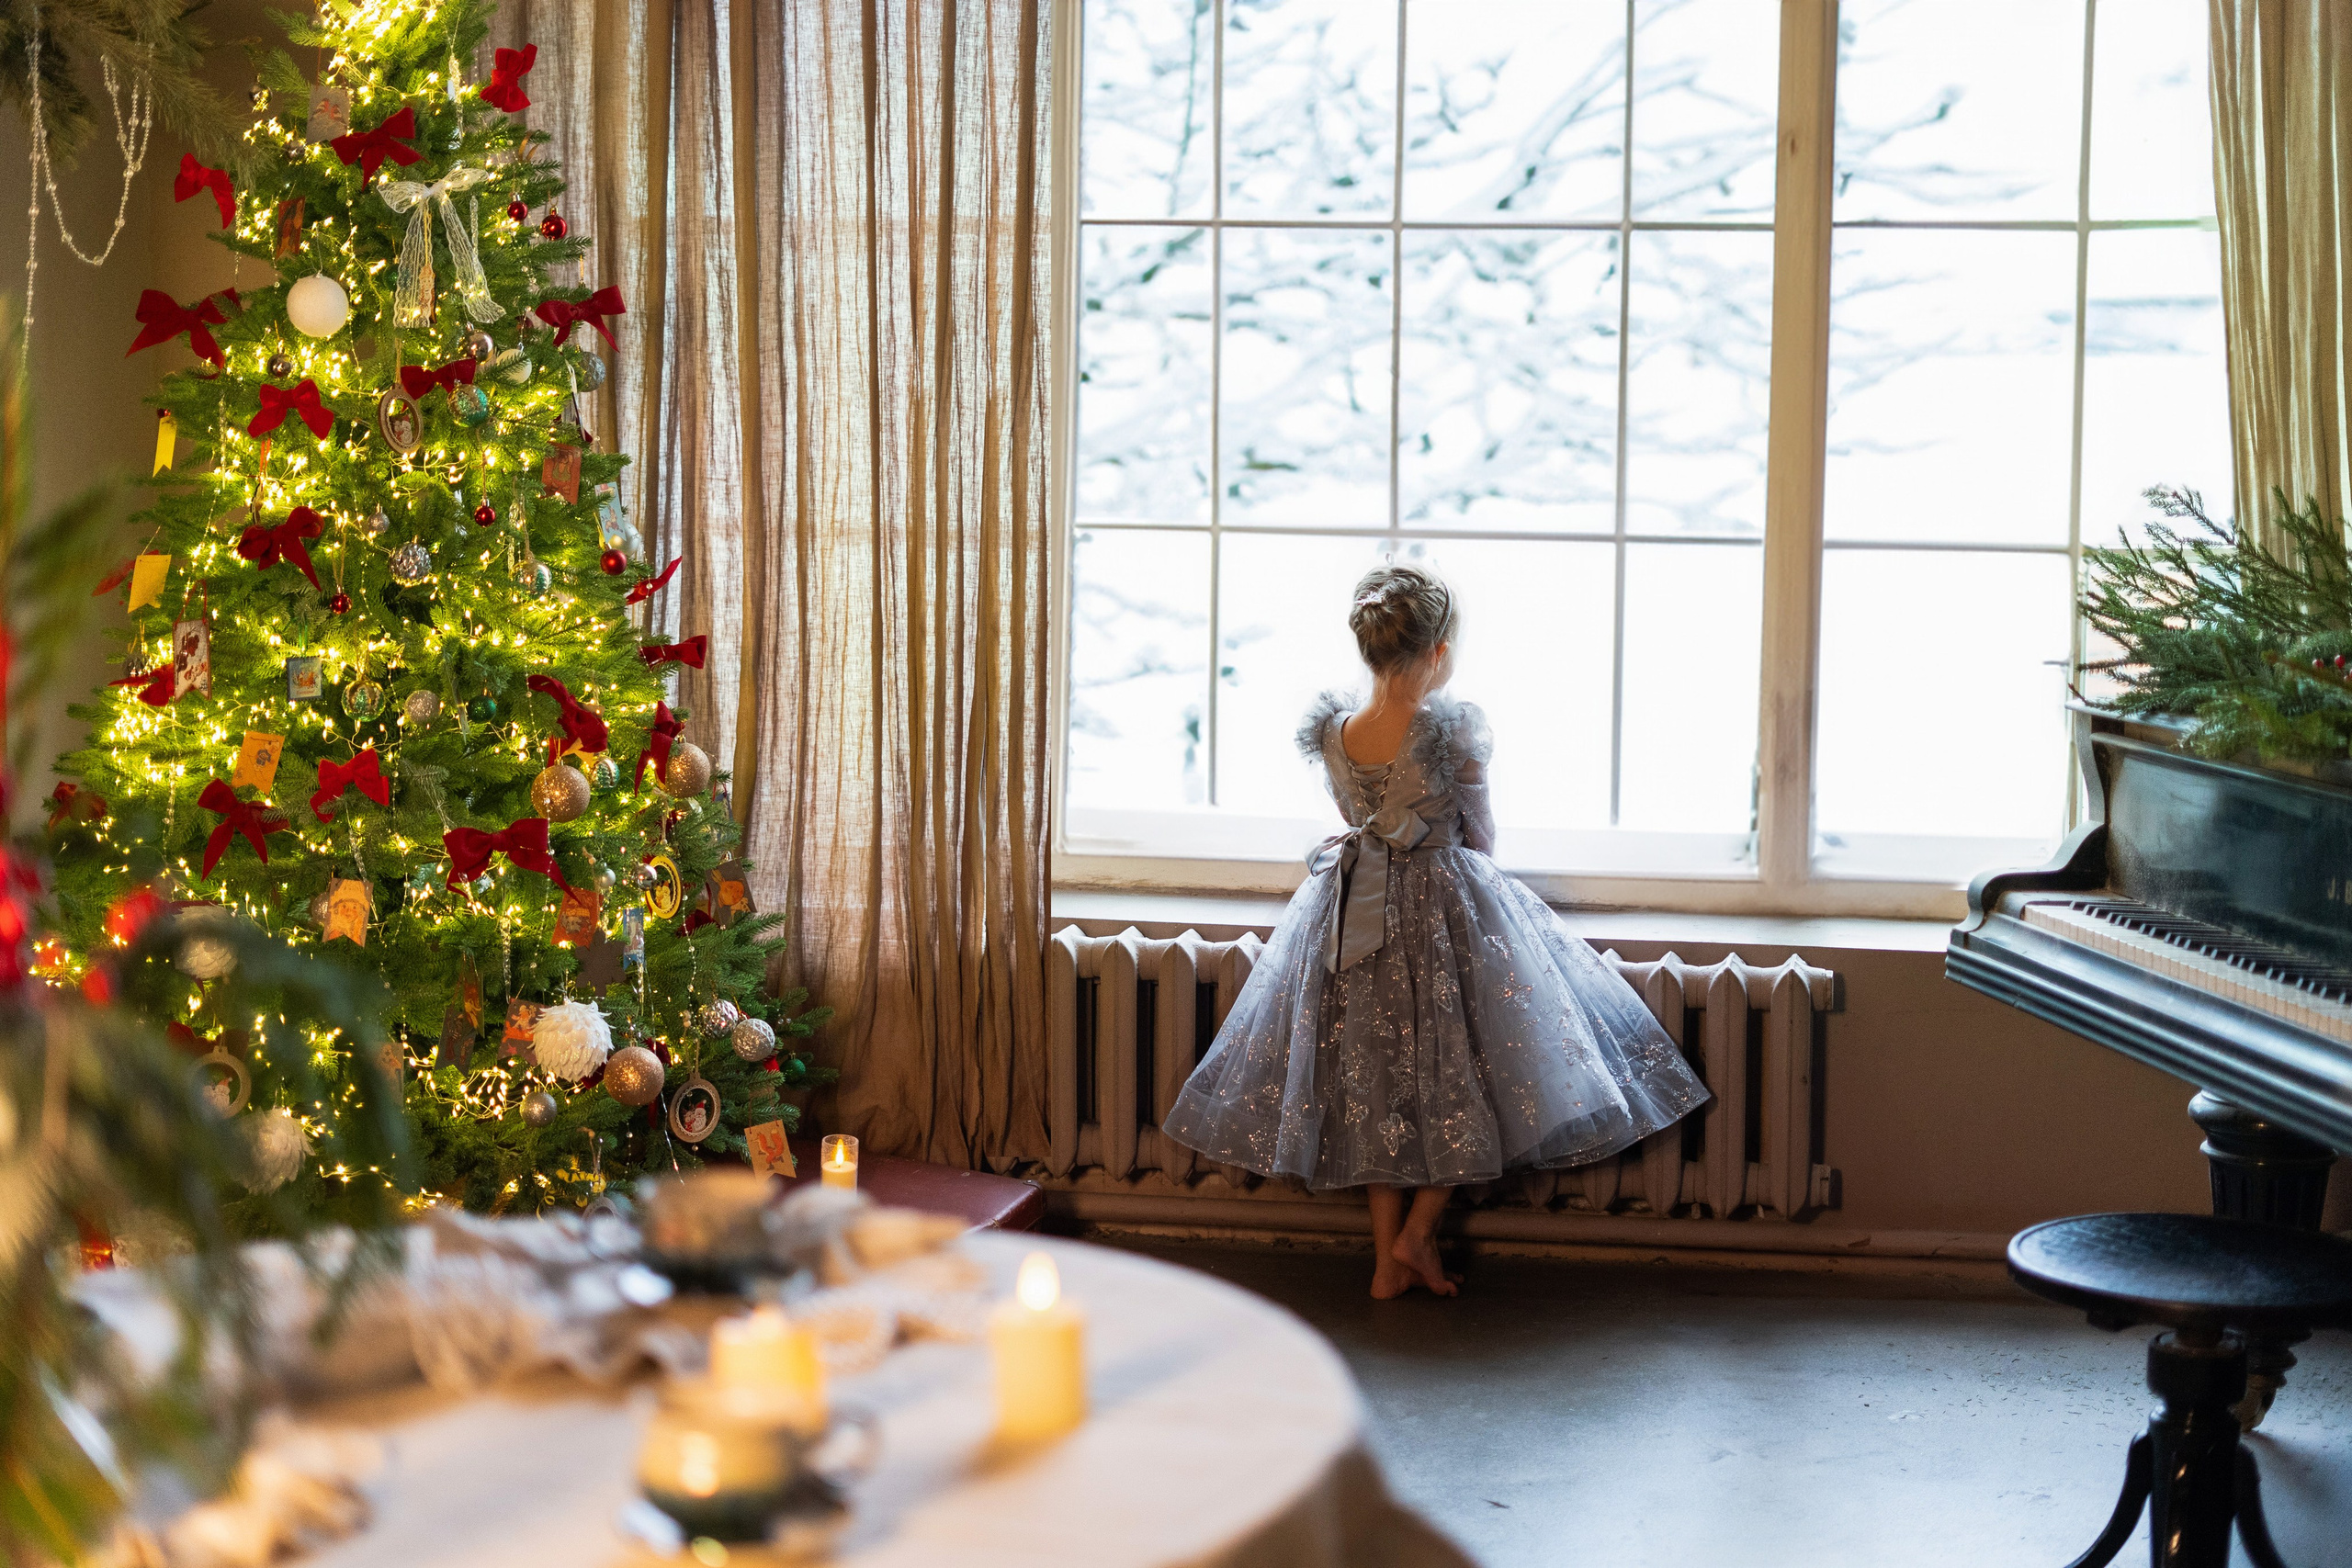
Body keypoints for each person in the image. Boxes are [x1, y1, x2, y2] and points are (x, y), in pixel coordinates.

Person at [1162, 563, 1712, 1298]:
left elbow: (1353, 818)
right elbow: (1481, 837)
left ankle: (1388, 1258)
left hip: (1350, 910)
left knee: (1375, 1084)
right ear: (1439, 654)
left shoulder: (1335, 732)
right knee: (1460, 1074)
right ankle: (1416, 1237)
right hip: (1441, 910)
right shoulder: (1450, 731)